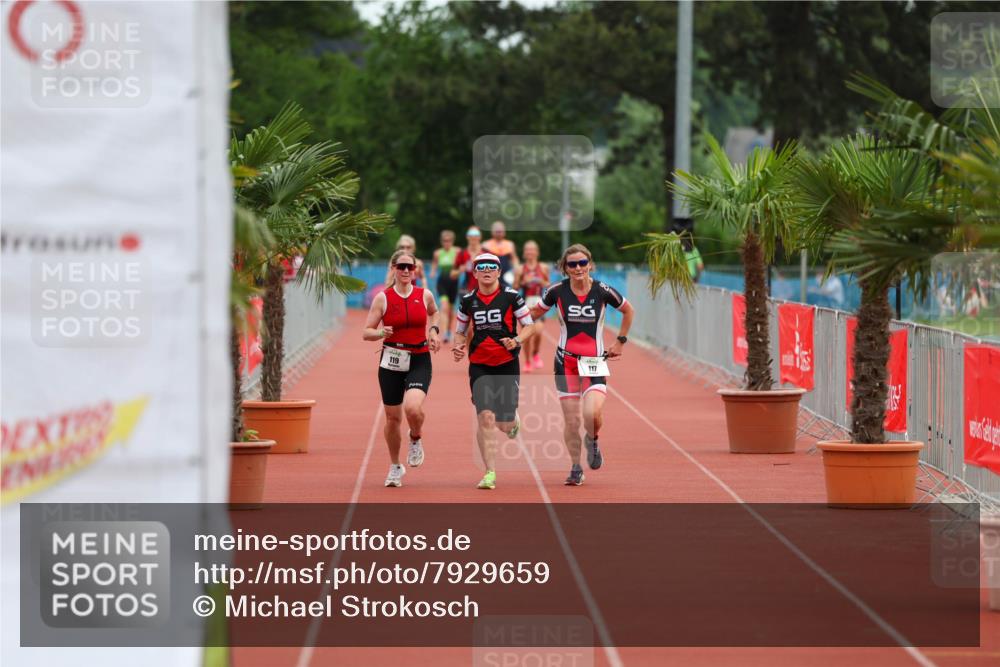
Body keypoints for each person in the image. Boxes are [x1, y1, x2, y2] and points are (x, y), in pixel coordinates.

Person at [528, 244, 634, 486]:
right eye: (572, 264)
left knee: (592, 414)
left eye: (582, 263)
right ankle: (576, 467)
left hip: (594, 362)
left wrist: (620, 342)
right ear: (564, 268)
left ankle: (593, 439)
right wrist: (509, 323)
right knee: (572, 420)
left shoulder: (603, 290)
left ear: (590, 265)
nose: (578, 268)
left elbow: (629, 311)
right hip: (565, 362)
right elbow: (532, 314)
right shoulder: (556, 291)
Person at [453, 253, 537, 490]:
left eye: (492, 267)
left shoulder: (512, 297)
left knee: (504, 423)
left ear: (499, 272)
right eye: (482, 267)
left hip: (506, 363)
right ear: (475, 272)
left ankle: (513, 421)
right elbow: (460, 331)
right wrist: (459, 345)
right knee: (485, 417)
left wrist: (517, 340)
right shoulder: (467, 300)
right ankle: (490, 472)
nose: (487, 270)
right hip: (479, 364)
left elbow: (530, 326)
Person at [364, 248, 441, 488]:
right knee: (392, 417)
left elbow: (435, 313)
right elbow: (366, 332)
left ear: (415, 270)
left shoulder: (424, 294)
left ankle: (415, 437)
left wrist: (433, 330)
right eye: (401, 267)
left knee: (413, 408)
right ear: (393, 269)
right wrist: (379, 332)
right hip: (391, 359)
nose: (406, 271)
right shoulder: (383, 298)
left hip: (419, 357)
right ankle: (395, 466)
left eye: (410, 267)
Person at [513, 240, 550, 371]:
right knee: (526, 336)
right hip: (524, 305)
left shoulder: (543, 267)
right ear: (524, 252)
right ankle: (528, 361)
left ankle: (535, 354)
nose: (530, 252)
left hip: (538, 304)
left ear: (537, 252)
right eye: (527, 249)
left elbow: (548, 285)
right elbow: (515, 287)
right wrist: (524, 282)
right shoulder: (519, 269)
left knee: (538, 331)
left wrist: (541, 281)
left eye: (532, 249)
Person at [432, 230, 460, 343]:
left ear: (452, 241)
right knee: (444, 307)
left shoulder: (457, 251)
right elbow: (434, 264)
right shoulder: (438, 253)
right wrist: (433, 272)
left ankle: (449, 330)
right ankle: (444, 334)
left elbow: (461, 265)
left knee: (451, 309)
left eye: (449, 241)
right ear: (441, 241)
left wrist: (458, 271)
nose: (446, 243)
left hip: (453, 283)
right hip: (442, 282)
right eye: (444, 241)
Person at [482, 221, 519, 287]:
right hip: (491, 272)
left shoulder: (510, 244)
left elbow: (514, 259)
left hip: (506, 273)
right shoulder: (486, 245)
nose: (499, 233)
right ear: (492, 232)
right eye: (497, 231)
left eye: (500, 231)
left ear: (504, 232)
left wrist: (516, 269)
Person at [451, 226, 483, 293]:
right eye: (471, 234)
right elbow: (452, 274)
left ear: (480, 236)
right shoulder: (462, 254)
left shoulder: (487, 253)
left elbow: (496, 274)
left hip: (484, 289)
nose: (473, 237)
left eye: (476, 234)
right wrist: (460, 270)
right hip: (466, 289)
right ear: (467, 236)